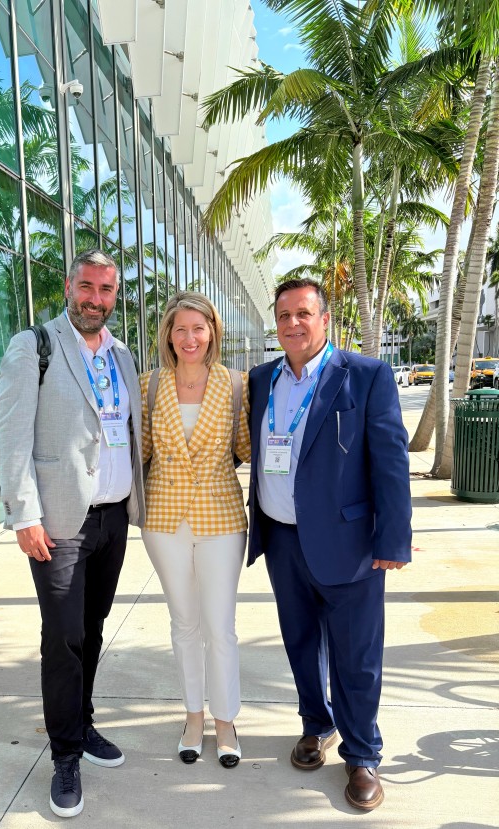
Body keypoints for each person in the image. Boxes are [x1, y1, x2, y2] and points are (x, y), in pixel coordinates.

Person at [247, 278, 411, 810]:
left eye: (304, 313)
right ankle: (316, 724)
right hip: (281, 538)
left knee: (355, 655)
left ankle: (362, 754)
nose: (293, 323)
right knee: (300, 643)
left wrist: (394, 538)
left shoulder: (365, 375)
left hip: (349, 544)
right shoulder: (261, 380)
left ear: (324, 319)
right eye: (284, 315)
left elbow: (390, 462)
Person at [0, 249, 145, 819]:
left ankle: (83, 724)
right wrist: (23, 515)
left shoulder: (122, 355)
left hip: (112, 518)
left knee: (93, 629)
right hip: (58, 522)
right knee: (63, 637)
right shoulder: (34, 345)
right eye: (87, 287)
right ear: (67, 287)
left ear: (115, 295)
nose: (95, 299)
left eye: (106, 290)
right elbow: (10, 435)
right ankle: (64, 756)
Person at [140, 291, 251, 769]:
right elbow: (140, 451)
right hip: (164, 520)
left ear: (212, 332)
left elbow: (245, 447)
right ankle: (193, 717)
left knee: (219, 626)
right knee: (183, 623)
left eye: (198, 328)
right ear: (168, 334)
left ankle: (225, 721)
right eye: (180, 328)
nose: (190, 338)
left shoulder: (236, 384)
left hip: (220, 518)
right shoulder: (149, 385)